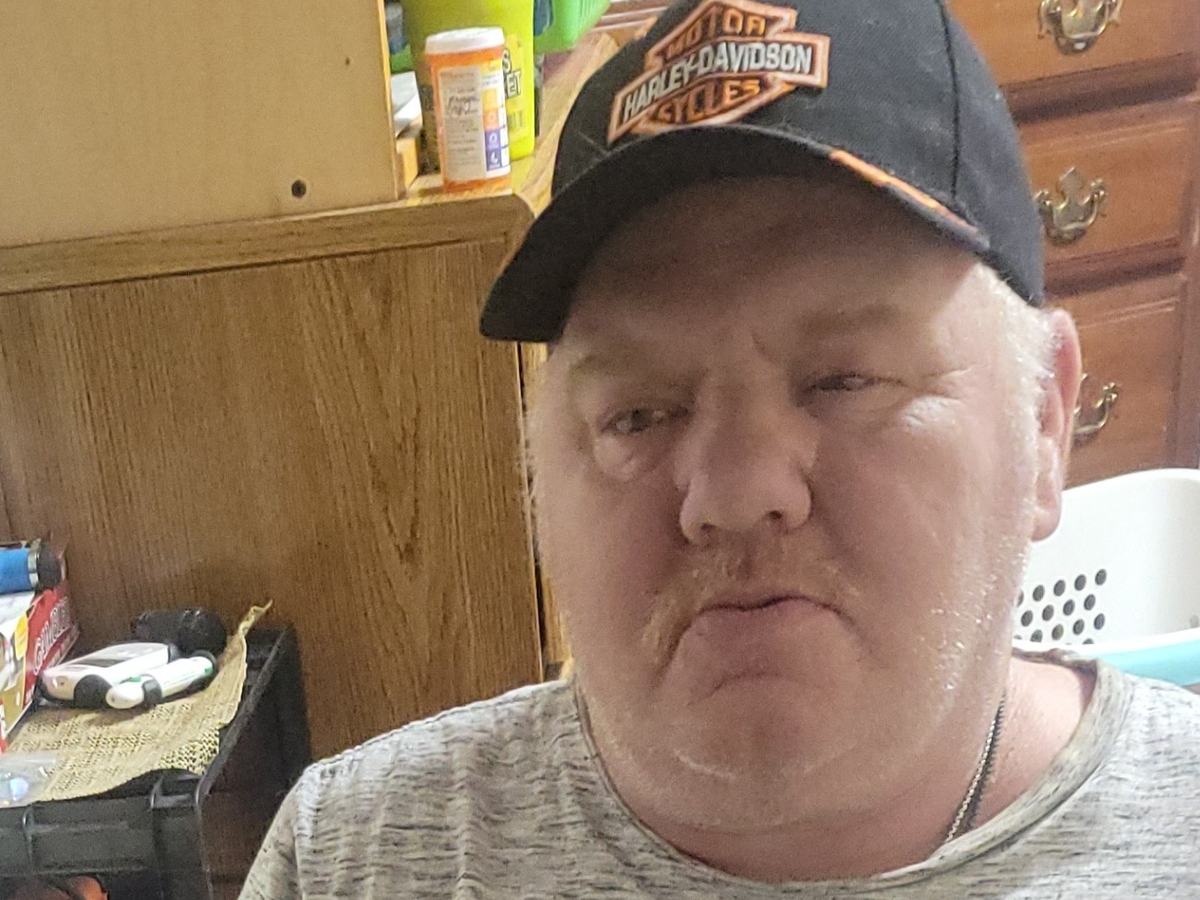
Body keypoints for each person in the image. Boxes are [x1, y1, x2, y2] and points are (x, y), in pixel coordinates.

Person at [240, 0, 1200, 896]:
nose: (736, 492)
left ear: (1043, 419)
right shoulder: (348, 863)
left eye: (843, 381)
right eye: (636, 416)